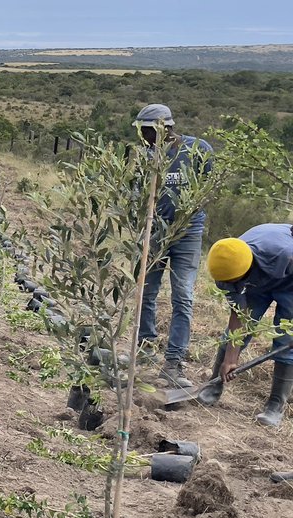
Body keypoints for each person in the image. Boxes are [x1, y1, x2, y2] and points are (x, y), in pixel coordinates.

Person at [134, 103, 214, 388]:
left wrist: (185, 215)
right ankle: (145, 350)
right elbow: (136, 194)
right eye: (141, 131)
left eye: (147, 130)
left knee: (183, 297)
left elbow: (208, 187)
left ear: (163, 128)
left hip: (188, 233)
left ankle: (174, 362)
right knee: (146, 291)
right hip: (153, 232)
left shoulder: (198, 149)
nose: (143, 136)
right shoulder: (145, 156)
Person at [203, 224, 293, 427]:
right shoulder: (224, 267)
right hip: (256, 285)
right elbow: (239, 312)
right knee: (232, 336)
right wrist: (231, 357)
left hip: (290, 283)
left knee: (286, 340)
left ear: (247, 269)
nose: (231, 285)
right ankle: (213, 385)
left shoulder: (285, 254)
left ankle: (275, 405)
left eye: (235, 281)